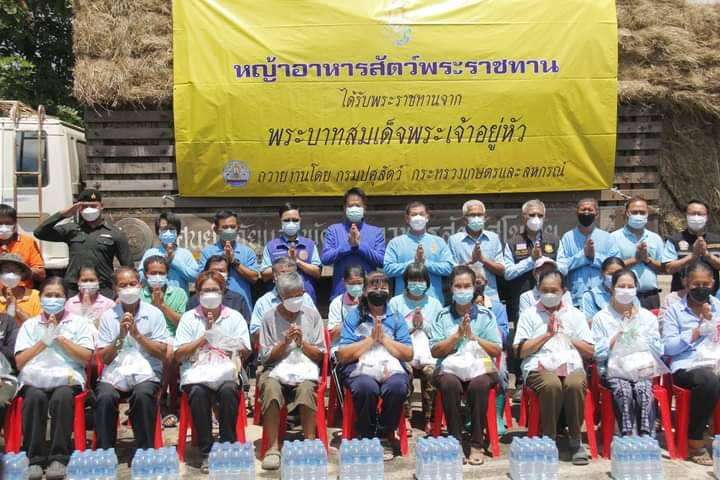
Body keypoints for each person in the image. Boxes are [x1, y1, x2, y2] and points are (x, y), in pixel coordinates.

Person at [15, 277, 93, 480]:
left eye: (57, 295)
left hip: (68, 377)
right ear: (41, 298)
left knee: (62, 397)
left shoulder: (79, 323)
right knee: (34, 398)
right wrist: (44, 339)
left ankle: (59, 456)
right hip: (34, 379)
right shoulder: (30, 325)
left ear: (65, 299)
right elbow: (20, 361)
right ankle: (34, 458)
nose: (52, 299)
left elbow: (86, 357)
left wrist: (59, 336)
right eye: (48, 295)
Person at [513, 270, 594, 465]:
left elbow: (589, 351)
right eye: (544, 290)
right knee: (551, 385)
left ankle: (575, 440)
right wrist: (547, 335)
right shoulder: (529, 315)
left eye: (554, 290)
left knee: (575, 384)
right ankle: (549, 439)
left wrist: (567, 336)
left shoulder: (575, 315)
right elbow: (520, 351)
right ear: (538, 290)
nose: (549, 294)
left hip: (570, 364)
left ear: (563, 291)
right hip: (538, 365)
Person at [174, 271, 251, 472]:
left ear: (223, 291)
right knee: (198, 392)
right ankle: (207, 451)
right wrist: (204, 338)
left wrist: (222, 340)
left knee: (228, 390)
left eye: (214, 290)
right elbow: (179, 354)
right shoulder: (189, 318)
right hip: (196, 372)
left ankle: (227, 446)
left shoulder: (234, 317)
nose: (210, 294)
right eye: (205, 290)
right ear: (198, 293)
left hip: (226, 371)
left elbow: (246, 350)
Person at [337, 271, 413, 461]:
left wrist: (384, 339)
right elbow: (343, 355)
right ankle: (366, 434)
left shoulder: (396, 317)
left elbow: (408, 353)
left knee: (397, 386)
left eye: (383, 287)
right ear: (364, 291)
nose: (379, 291)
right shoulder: (354, 317)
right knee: (365, 387)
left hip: (391, 366)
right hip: (358, 367)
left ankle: (384, 434)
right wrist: (370, 340)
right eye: (374, 287)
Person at [431, 265, 502, 465]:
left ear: (474, 287)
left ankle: (477, 443)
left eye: (467, 286)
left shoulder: (486, 315)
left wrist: (474, 337)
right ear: (451, 288)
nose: (463, 290)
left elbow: (496, 350)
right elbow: (435, 351)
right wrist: (457, 336)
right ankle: (455, 441)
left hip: (480, 367)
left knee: (479, 385)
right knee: (449, 385)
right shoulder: (442, 316)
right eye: (458, 286)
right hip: (449, 368)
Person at [94, 267, 170, 451]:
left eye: (132, 284)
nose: (128, 288)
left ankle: (145, 450)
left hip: (148, 372)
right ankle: (106, 451)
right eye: (123, 285)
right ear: (115, 289)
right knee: (104, 396)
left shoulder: (154, 314)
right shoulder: (108, 317)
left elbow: (161, 352)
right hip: (115, 372)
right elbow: (105, 358)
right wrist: (120, 337)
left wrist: (138, 335)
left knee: (143, 395)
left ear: (140, 285)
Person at [258, 272, 325, 470]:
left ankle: (309, 443)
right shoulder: (269, 317)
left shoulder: (312, 315)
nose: (295, 299)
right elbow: (266, 357)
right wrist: (285, 342)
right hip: (275, 368)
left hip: (305, 368)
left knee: (306, 390)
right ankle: (272, 448)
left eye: (299, 294)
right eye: (290, 296)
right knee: (270, 389)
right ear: (281, 296)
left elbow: (319, 354)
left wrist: (301, 343)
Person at [592, 269, 663, 438]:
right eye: (621, 286)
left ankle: (646, 435)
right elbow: (596, 352)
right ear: (612, 288)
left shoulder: (647, 317)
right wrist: (614, 341)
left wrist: (638, 338)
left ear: (636, 289)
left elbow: (658, 350)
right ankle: (626, 435)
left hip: (641, 370)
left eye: (630, 286)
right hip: (613, 371)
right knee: (624, 391)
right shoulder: (601, 318)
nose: (626, 290)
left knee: (643, 389)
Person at [662, 261, 720, 465]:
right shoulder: (675, 311)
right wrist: (696, 331)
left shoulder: (718, 307)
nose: (701, 288)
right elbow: (668, 348)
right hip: (686, 365)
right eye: (696, 284)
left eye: (706, 284)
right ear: (686, 283)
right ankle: (695, 440)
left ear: (713, 283)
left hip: (715, 360)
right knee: (708, 380)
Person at [33, 188, 131, 298]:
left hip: (104, 289)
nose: (89, 209)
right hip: (74, 289)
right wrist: (62, 214)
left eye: (93, 206)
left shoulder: (115, 233)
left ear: (101, 206)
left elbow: (128, 266)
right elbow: (39, 233)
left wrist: (122, 292)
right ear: (78, 208)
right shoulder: (71, 230)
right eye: (84, 206)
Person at [388, 262, 443, 433]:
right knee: (404, 372)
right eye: (413, 280)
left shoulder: (435, 304)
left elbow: (440, 332)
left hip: (428, 353)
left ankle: (430, 418)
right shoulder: (396, 302)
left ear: (427, 282)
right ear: (406, 282)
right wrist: (411, 326)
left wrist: (423, 325)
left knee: (431, 373)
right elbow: (391, 331)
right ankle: (405, 417)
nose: (417, 284)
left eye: (421, 280)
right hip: (404, 351)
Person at [139, 255, 188, 428]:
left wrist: (162, 305)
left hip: (171, 336)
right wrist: (152, 307)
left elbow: (182, 323)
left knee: (169, 351)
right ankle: (153, 400)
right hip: (144, 337)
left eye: (161, 273)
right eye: (153, 273)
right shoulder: (138, 294)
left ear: (167, 274)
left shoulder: (179, 293)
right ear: (146, 274)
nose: (157, 277)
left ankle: (159, 397)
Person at [320, 187, 385, 300]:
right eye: (350, 206)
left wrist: (360, 246)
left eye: (358, 205)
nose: (354, 208)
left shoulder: (376, 232)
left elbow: (382, 261)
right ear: (344, 208)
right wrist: (348, 246)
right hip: (340, 294)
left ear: (364, 207)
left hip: (368, 295)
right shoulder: (334, 230)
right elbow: (325, 259)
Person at [384, 201, 454, 301]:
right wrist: (413, 263)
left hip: (433, 301)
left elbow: (449, 268)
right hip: (403, 302)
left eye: (421, 214)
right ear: (407, 219)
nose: (418, 217)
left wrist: (426, 263)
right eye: (414, 214)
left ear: (427, 217)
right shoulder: (395, 243)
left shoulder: (439, 242)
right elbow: (388, 269)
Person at [557, 197, 620, 307]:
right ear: (577, 212)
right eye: (583, 209)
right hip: (576, 298)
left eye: (590, 210)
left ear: (597, 214)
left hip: (603, 299)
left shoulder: (608, 238)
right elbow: (562, 266)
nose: (586, 212)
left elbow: (616, 266)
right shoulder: (567, 237)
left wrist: (594, 257)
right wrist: (583, 256)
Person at [503, 199, 559, 321]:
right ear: (524, 217)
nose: (536, 218)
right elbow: (507, 273)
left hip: (551, 300)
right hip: (522, 301)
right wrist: (531, 261)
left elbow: (563, 268)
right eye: (532, 215)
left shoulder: (554, 241)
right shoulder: (512, 243)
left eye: (540, 215)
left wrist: (546, 264)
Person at [198, 209, 258, 310]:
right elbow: (201, 279)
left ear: (238, 228)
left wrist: (233, 261)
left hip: (241, 306)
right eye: (225, 227)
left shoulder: (247, 252)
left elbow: (254, 278)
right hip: (214, 307)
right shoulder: (207, 252)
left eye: (232, 227)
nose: (229, 230)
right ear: (216, 229)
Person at [610, 197, 664, 309]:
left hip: (650, 297)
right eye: (634, 212)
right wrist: (636, 260)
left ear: (647, 214)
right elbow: (611, 269)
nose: (638, 215)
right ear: (627, 213)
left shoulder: (655, 238)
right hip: (624, 296)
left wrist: (647, 260)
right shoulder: (613, 238)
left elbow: (663, 268)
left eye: (642, 212)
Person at [261, 203, 321, 303]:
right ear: (280, 220)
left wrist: (296, 262)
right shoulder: (271, 246)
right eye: (286, 220)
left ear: (300, 220)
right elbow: (264, 275)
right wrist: (284, 265)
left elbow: (317, 273)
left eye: (295, 220)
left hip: (304, 299)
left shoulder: (310, 244)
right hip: (278, 301)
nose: (291, 223)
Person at [448, 200, 505, 302]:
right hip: (463, 295)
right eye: (472, 215)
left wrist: (483, 260)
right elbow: (451, 272)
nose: (476, 218)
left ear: (485, 218)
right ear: (465, 219)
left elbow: (501, 270)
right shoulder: (454, 240)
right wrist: (471, 262)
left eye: (479, 215)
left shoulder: (493, 238)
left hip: (490, 295)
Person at [250, 257, 316, 341]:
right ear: (274, 277)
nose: (287, 278)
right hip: (274, 347)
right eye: (283, 273)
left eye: (291, 274)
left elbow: (316, 326)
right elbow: (255, 335)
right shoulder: (263, 302)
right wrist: (281, 331)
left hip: (303, 345)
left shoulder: (305, 298)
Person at [663, 199, 720, 294]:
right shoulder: (674, 240)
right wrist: (693, 256)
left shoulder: (717, 240)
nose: (696, 217)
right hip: (681, 297)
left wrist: (707, 256)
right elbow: (669, 268)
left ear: (707, 217)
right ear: (686, 216)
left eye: (700, 214)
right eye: (692, 214)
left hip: (711, 296)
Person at [138, 212, 198, 294]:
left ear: (177, 232)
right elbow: (141, 278)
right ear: (158, 232)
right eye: (164, 229)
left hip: (180, 300)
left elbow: (195, 276)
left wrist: (173, 260)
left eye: (171, 229)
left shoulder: (185, 253)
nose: (168, 232)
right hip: (154, 298)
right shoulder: (150, 253)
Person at [187, 255, 251, 323]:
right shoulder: (194, 301)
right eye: (214, 271)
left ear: (228, 274)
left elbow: (245, 325)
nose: (218, 274)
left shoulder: (238, 300)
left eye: (221, 271)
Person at [0, 204, 45, 287]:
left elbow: (41, 274)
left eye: (8, 223)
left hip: (23, 292)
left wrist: (21, 272)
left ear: (15, 223)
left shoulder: (28, 242)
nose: (3, 227)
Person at [64, 266, 116, 337]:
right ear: (78, 282)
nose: (88, 283)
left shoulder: (108, 304)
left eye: (92, 280)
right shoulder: (70, 303)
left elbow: (111, 329)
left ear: (98, 281)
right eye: (84, 280)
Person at [327, 265, 365, 358]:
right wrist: (354, 315)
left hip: (365, 344)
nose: (356, 286)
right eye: (352, 283)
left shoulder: (369, 301)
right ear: (344, 282)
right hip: (342, 345)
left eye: (359, 283)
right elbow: (332, 337)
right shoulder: (337, 303)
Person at [581, 257, 627, 321]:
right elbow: (587, 323)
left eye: (618, 274)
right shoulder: (590, 296)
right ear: (602, 273)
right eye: (611, 274)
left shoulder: (629, 293)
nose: (615, 277)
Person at [0, 253, 41, 323]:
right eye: (6, 270)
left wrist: (17, 308)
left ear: (23, 274)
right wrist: (7, 308)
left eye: (14, 270)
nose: (10, 274)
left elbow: (38, 326)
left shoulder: (35, 296)